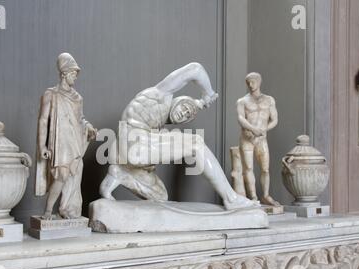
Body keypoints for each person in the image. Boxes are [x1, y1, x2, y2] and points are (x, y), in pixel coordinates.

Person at [100, 62, 256, 210]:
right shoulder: (160, 96)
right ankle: (231, 199)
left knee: (160, 195)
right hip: (134, 144)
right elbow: (195, 69)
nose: (184, 113)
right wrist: (207, 94)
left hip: (126, 155)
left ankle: (120, 174)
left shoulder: (156, 126)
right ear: (176, 101)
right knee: (195, 143)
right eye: (185, 107)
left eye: (188, 115)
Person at [35, 53, 97, 220]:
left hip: (75, 141)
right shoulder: (51, 94)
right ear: (64, 74)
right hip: (60, 142)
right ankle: (48, 210)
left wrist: (89, 127)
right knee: (61, 176)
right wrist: (42, 146)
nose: (75, 79)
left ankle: (68, 210)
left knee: (74, 176)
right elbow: (43, 120)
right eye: (73, 75)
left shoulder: (77, 98)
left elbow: (80, 119)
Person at [237, 72, 279, 206]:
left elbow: (274, 119)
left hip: (261, 139)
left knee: (265, 169)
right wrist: (253, 129)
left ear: (259, 82)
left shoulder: (269, 100)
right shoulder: (242, 101)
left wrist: (264, 129)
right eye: (248, 82)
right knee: (248, 168)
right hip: (247, 139)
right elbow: (241, 118)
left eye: (253, 81)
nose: (251, 84)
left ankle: (266, 195)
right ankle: (253, 197)